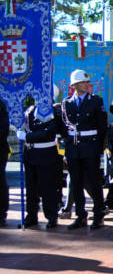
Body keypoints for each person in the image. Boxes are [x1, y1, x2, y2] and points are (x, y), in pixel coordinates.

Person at [58, 69, 108, 229]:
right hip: (73, 148)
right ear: (74, 85)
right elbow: (63, 127)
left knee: (94, 182)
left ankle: (99, 214)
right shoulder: (66, 103)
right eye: (83, 82)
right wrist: (67, 145)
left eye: (87, 82)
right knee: (76, 182)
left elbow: (102, 127)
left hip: (90, 146)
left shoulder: (96, 101)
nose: (87, 84)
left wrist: (99, 148)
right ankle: (81, 215)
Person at [16, 86, 61, 229]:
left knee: (47, 187)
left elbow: (48, 133)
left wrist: (26, 137)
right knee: (31, 188)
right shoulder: (30, 110)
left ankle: (51, 216)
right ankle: (31, 215)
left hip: (46, 153)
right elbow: (23, 125)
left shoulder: (54, 112)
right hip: (30, 154)